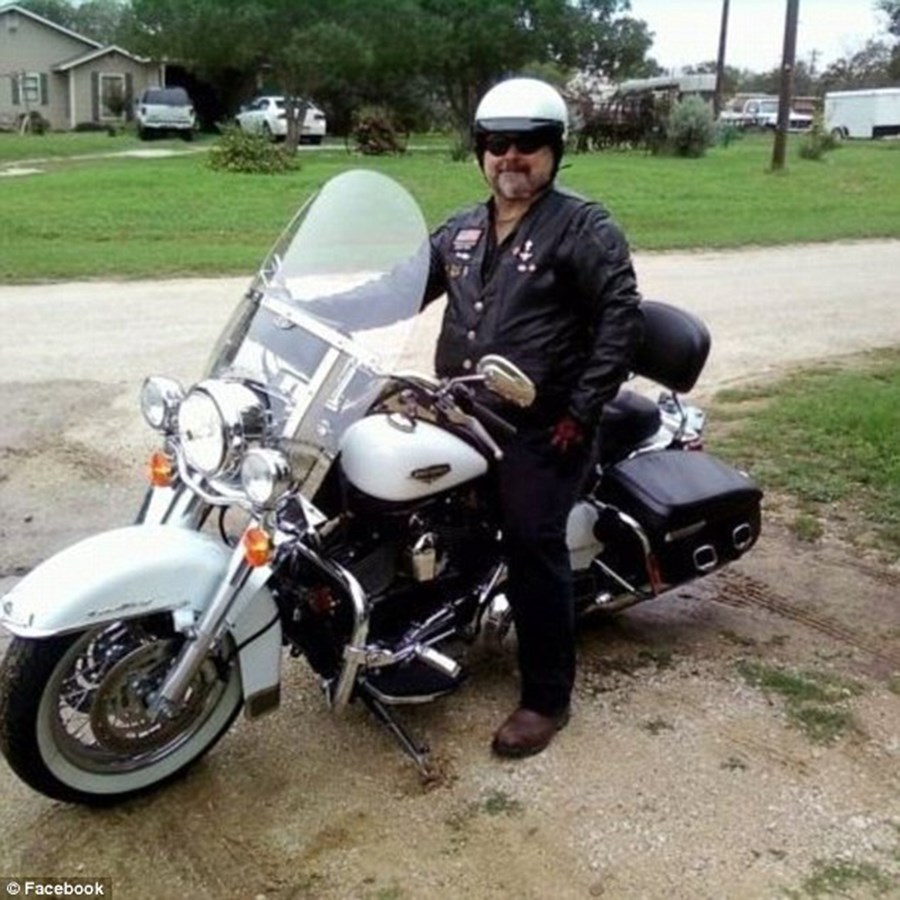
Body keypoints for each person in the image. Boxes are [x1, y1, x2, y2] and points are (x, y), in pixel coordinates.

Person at [422, 77, 644, 758]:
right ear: (480, 151)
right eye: (496, 143)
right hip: (464, 405)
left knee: (529, 535)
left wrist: (580, 411)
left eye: (527, 144)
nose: (510, 157)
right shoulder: (461, 229)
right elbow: (399, 287)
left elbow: (620, 321)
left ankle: (547, 697)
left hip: (545, 421)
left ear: (555, 150)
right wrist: (318, 306)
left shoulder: (584, 227)